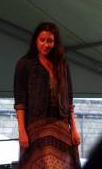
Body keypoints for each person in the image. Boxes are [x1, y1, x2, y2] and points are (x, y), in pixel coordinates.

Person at [13, 22, 81, 169]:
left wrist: (74, 129)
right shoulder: (25, 64)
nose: (46, 44)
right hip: (36, 124)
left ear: (55, 42)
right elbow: (20, 102)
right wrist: (22, 131)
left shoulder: (62, 64)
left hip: (61, 124)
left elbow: (69, 98)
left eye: (50, 40)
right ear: (36, 41)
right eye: (42, 40)